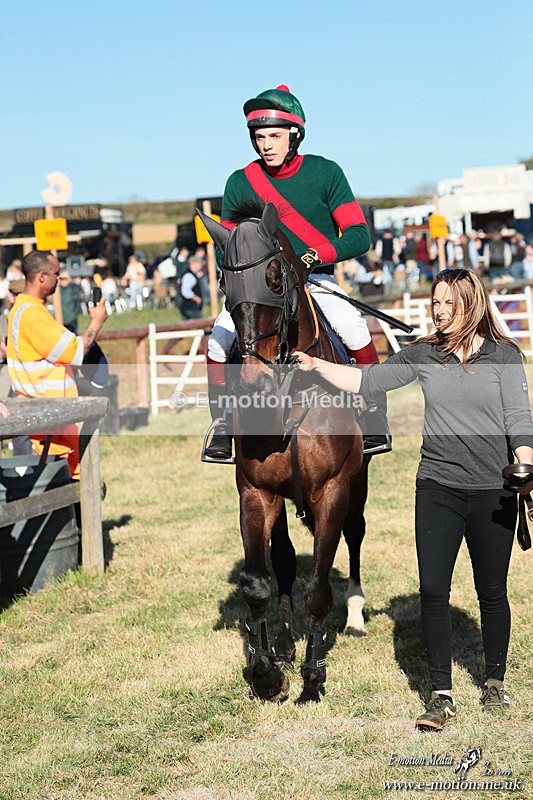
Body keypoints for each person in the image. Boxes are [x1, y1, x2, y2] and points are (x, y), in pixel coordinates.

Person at [294, 268, 533, 730]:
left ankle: (495, 683)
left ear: (472, 303)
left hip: (493, 491)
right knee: (432, 591)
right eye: (435, 303)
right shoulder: (424, 353)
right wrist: (316, 365)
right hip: (438, 488)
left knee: (493, 593)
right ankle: (441, 694)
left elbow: (519, 418)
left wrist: (524, 464)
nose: (439, 311)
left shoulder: (504, 356)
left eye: (448, 303)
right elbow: (368, 381)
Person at [204, 83, 390, 462]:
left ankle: (373, 413)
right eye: (259, 137)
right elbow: (228, 241)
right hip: (260, 288)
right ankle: (223, 422)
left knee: (352, 327)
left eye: (274, 135)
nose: (266, 144)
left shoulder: (326, 172)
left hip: (313, 278)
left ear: (295, 134)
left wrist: (312, 255)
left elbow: (358, 235)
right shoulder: (239, 181)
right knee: (217, 341)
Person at [7, 250, 109, 479]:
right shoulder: (33, 316)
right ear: (41, 277)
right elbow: (76, 350)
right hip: (51, 420)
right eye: (56, 273)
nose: (59, 278)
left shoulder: (22, 310)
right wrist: (96, 322)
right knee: (69, 485)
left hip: (43, 416)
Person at [58, 268, 82, 333]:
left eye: (64, 279)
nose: (63, 281)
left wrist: (73, 315)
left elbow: (77, 303)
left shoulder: (74, 289)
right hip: (59, 320)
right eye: (61, 279)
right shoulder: (57, 290)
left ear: (69, 279)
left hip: (71, 320)